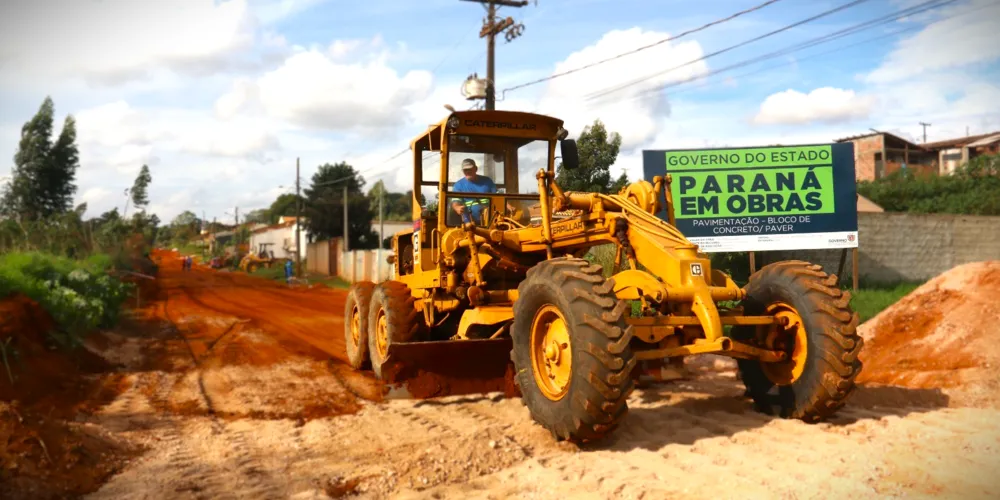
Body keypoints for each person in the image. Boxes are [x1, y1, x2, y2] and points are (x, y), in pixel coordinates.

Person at [451, 158, 497, 224]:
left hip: (491, 220)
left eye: (470, 169)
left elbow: (499, 197)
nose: (468, 172)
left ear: (476, 169)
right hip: (470, 222)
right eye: (465, 170)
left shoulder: (487, 181)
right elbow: (456, 202)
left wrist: (508, 206)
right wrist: (457, 207)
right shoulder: (458, 185)